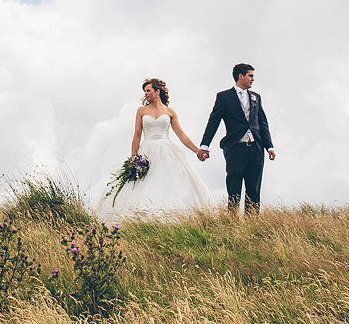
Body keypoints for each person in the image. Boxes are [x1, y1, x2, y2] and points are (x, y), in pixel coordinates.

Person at [93, 78, 215, 220]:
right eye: (144, 91)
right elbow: (137, 135)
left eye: (148, 90)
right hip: (147, 150)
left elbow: (181, 135)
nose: (146, 94)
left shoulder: (170, 112)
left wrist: (197, 151)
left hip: (167, 150)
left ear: (157, 91)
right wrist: (134, 157)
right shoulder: (141, 111)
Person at [199, 62, 274, 214]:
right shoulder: (224, 97)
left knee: (254, 188)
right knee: (234, 187)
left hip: (256, 148)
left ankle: (252, 223)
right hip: (235, 148)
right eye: (250, 75)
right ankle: (232, 221)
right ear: (241, 76)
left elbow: (262, 123)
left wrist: (269, 147)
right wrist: (204, 145)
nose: (253, 79)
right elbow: (213, 121)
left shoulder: (256, 97)